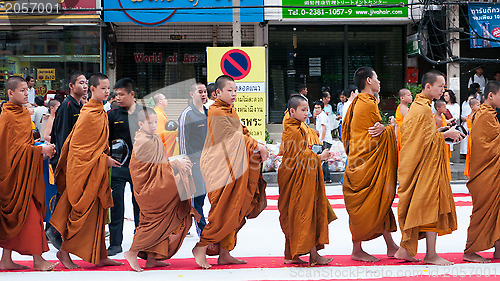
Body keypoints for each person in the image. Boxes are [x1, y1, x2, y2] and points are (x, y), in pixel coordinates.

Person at [192, 75, 268, 269]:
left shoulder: (230, 110)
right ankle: (201, 247)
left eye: (235, 90)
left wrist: (256, 145)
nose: (234, 94)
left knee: (235, 209)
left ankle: (225, 253)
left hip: (233, 166)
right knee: (222, 211)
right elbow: (231, 137)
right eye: (229, 90)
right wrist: (257, 146)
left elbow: (241, 132)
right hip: (219, 168)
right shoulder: (216, 111)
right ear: (217, 93)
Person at [51, 73, 123, 269]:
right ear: (92, 89)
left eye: (109, 88)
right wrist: (102, 159)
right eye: (103, 88)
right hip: (87, 172)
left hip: (97, 172)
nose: (107, 92)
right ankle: (63, 252)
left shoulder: (100, 111)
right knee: (81, 215)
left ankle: (100, 254)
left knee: (98, 214)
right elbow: (77, 148)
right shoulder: (89, 114)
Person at [395, 70, 464, 265]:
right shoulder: (423, 109)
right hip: (425, 166)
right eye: (440, 86)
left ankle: (405, 250)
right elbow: (423, 140)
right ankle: (430, 254)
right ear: (428, 86)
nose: (443, 90)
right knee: (430, 205)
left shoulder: (420, 106)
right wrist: (446, 134)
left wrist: (441, 131)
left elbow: (422, 136)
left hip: (423, 163)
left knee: (421, 206)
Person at [124, 107, 200, 272]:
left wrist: (174, 164)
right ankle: (132, 251)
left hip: (159, 182)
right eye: (149, 123)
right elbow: (144, 168)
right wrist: (174, 164)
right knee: (151, 222)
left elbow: (160, 162)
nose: (153, 125)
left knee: (166, 216)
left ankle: (152, 258)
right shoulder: (142, 141)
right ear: (140, 124)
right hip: (149, 188)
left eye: (155, 122)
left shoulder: (155, 138)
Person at [341, 67, 399, 262]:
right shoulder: (367, 104)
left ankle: (391, 246)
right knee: (371, 203)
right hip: (365, 164)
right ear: (368, 81)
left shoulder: (358, 102)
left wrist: (385, 128)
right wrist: (391, 129)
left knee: (379, 202)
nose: (379, 82)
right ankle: (357, 249)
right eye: (377, 78)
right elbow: (373, 139)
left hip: (360, 162)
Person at [0, 76, 57, 271]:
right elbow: (10, 150)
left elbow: (23, 146)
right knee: (31, 215)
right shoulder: (7, 116)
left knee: (25, 215)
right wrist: (40, 151)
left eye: (27, 90)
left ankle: (6, 260)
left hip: (25, 172)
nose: (27, 93)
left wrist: (39, 150)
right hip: (13, 176)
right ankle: (38, 259)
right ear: (10, 93)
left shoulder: (24, 114)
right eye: (22, 90)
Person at [278, 95, 337, 266]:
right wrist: (319, 157)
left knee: (295, 214)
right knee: (305, 213)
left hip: (296, 175)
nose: (306, 113)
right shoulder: (294, 130)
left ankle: (291, 255)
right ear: (292, 111)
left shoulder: (296, 126)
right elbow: (300, 156)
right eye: (303, 110)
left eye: (307, 110)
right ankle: (311, 255)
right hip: (296, 177)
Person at [46, 71, 87, 249]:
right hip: (67, 162)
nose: (84, 86)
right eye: (80, 83)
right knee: (65, 198)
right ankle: (53, 229)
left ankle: (60, 230)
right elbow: (63, 138)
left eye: (86, 83)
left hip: (76, 161)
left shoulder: (79, 106)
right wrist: (66, 164)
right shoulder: (67, 106)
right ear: (71, 86)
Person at [107, 78, 144, 256]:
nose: (118, 97)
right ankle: (115, 244)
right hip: (118, 168)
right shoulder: (112, 114)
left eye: (122, 94)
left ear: (132, 94)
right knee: (116, 207)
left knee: (140, 207)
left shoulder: (146, 114)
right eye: (116, 94)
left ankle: (141, 243)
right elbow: (105, 140)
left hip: (140, 169)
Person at [463, 82, 500, 263]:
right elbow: (484, 145)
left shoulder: (490, 114)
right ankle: (469, 251)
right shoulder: (484, 115)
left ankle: (498, 250)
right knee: (483, 211)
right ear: (491, 95)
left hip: (493, 171)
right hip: (485, 172)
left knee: (498, 211)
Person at [178, 83, 209, 237]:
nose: (203, 95)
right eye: (199, 92)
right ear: (191, 94)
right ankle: (201, 232)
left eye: (204, 92)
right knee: (197, 199)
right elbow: (182, 141)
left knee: (206, 197)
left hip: (208, 162)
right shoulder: (187, 114)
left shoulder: (208, 113)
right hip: (194, 162)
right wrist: (185, 164)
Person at [313, 100, 333, 183]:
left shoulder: (322, 116)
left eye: (318, 108)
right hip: (323, 139)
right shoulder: (319, 116)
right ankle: (325, 178)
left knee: (323, 159)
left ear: (322, 108)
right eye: (315, 108)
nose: (316, 109)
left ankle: (326, 178)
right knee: (323, 159)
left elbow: (324, 128)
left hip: (325, 140)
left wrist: (321, 140)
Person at [153, 93, 178, 157]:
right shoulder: (158, 114)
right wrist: (176, 133)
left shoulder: (160, 112)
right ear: (160, 101)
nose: (166, 100)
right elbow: (160, 134)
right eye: (165, 98)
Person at [464, 98, 480, 177]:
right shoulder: (475, 116)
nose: (479, 107)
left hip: (471, 138)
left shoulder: (469, 116)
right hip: (474, 138)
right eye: (478, 105)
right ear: (472, 107)